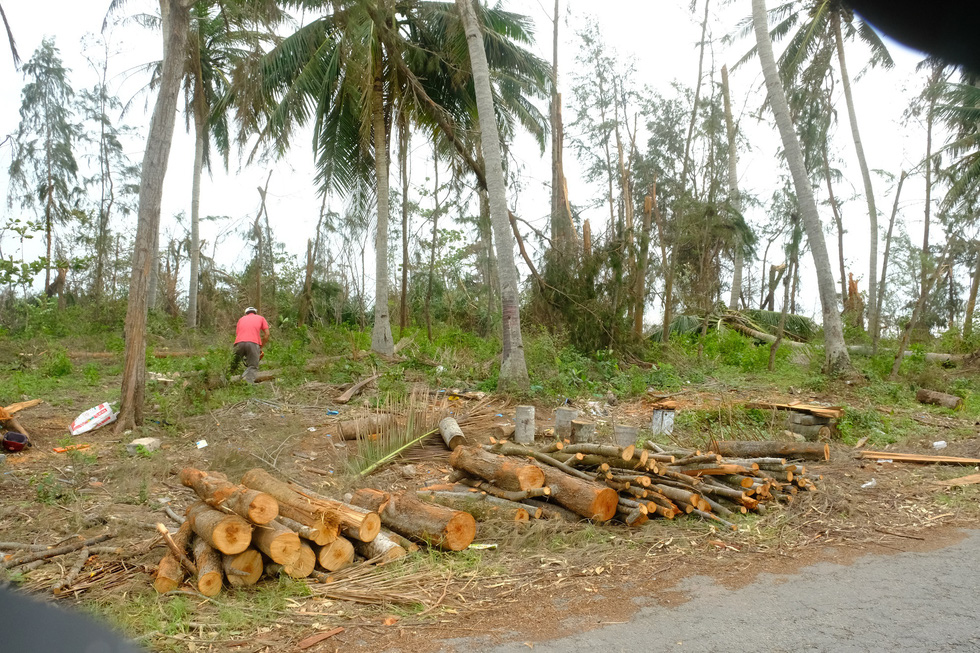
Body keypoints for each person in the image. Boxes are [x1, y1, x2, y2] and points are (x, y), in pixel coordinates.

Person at [230, 307, 269, 383]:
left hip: (239, 343)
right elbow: (267, 334)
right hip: (253, 343)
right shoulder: (261, 318)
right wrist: (260, 347)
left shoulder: (241, 319)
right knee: (253, 366)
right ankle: (249, 385)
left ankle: (226, 381)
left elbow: (238, 333)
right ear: (255, 313)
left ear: (246, 313)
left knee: (233, 365)